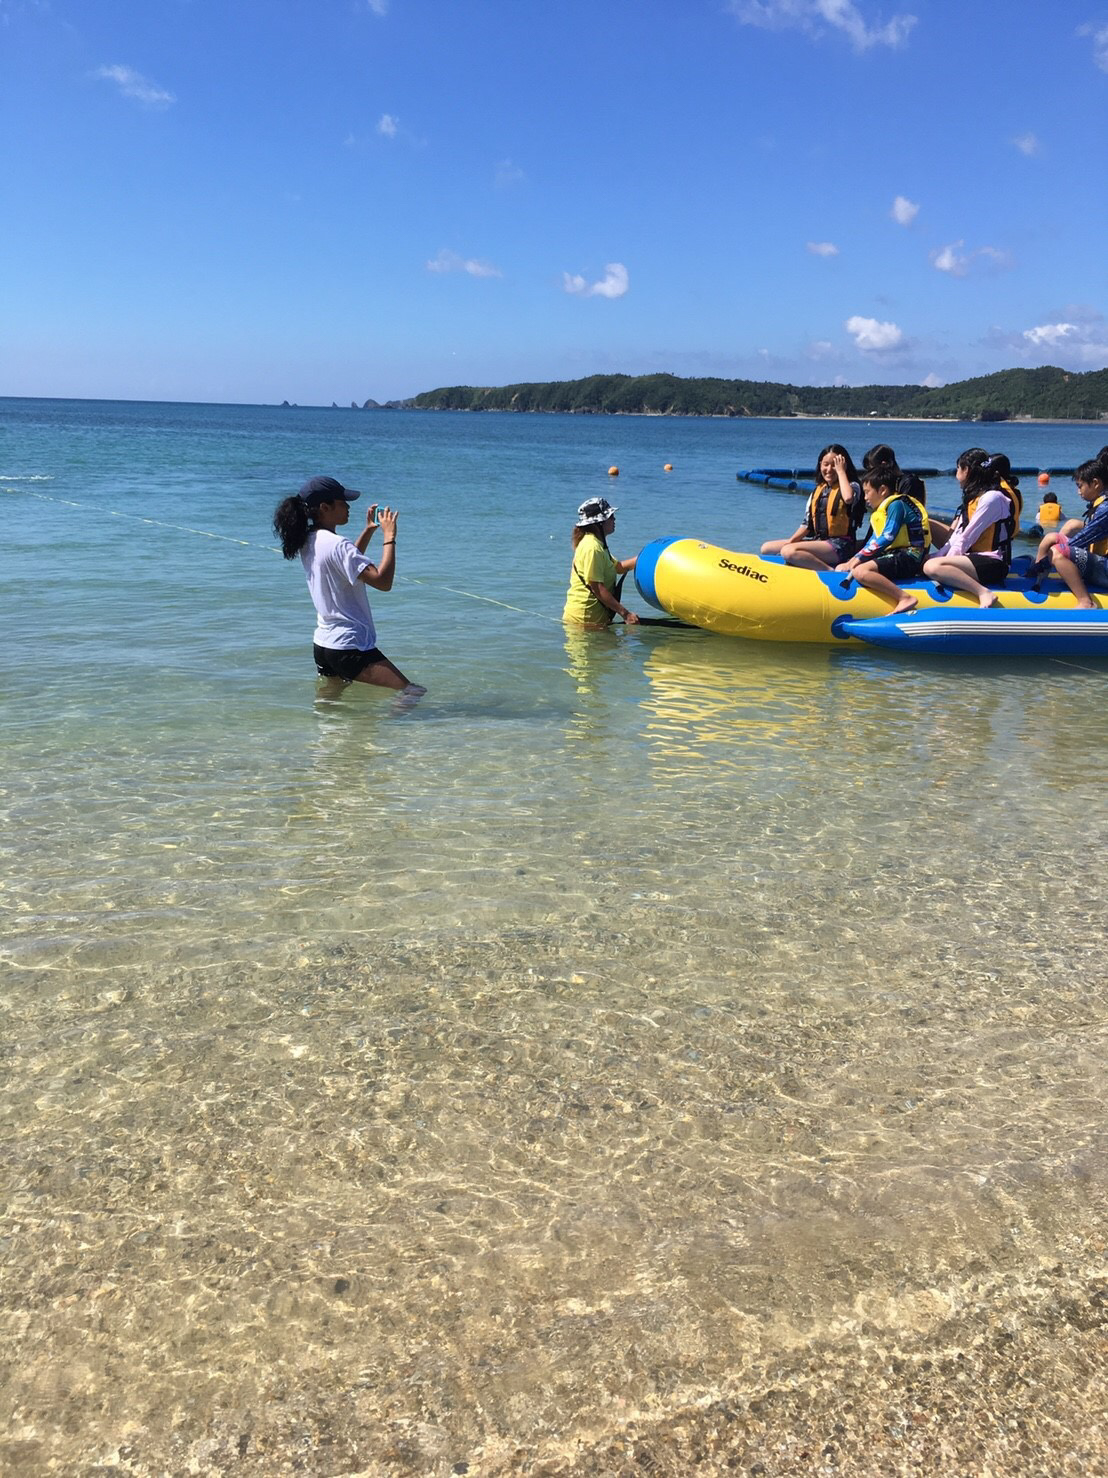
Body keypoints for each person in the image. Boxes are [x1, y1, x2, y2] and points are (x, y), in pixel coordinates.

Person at [272, 474, 425, 699]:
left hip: (323, 645)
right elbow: (383, 582)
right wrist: (389, 537)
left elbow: (345, 563)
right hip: (349, 645)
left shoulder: (308, 540)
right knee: (412, 692)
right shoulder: (338, 544)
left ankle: (328, 734)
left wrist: (368, 530)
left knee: (330, 700)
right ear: (325, 507)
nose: (348, 506)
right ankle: (392, 733)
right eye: (343, 502)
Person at [922, 449, 1020, 608]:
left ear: (966, 470)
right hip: (973, 557)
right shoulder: (974, 498)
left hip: (994, 562)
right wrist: (938, 554)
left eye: (958, 469)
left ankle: (983, 592)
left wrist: (943, 561)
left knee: (932, 567)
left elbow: (967, 537)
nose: (956, 476)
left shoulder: (992, 498)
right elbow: (956, 536)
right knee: (927, 561)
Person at [836, 464, 930, 613]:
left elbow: (888, 536)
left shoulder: (896, 505)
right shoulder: (882, 512)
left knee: (860, 572)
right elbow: (873, 541)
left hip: (910, 557)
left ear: (882, 490)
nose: (865, 498)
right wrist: (852, 559)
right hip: (897, 554)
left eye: (867, 492)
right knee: (853, 565)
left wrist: (857, 560)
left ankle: (904, 597)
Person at [760, 444, 862, 570]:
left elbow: (848, 498)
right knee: (766, 548)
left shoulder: (853, 486)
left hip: (841, 545)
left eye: (834, 465)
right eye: (826, 464)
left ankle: (829, 571)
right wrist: (791, 541)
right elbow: (806, 525)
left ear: (843, 465)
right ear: (820, 465)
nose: (829, 469)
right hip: (820, 542)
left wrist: (841, 472)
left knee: (789, 551)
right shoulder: (819, 490)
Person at [1036, 459, 1108, 607]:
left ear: (1095, 483)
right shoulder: (1100, 505)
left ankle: (1085, 601)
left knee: (1059, 552)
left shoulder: (1105, 509)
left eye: (1080, 486)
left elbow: (1083, 539)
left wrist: (1047, 559)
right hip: (1101, 562)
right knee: (1051, 537)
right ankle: (1037, 576)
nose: (1078, 491)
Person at [563, 497, 639, 627]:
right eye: (611, 517)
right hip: (583, 621)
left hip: (594, 621)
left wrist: (646, 557)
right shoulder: (592, 547)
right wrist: (625, 614)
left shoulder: (598, 544)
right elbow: (597, 587)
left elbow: (619, 568)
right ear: (599, 523)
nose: (614, 520)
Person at [863, 442, 928, 506]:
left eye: (873, 470)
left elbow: (907, 511)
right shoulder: (889, 484)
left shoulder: (909, 482)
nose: (871, 475)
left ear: (884, 464)